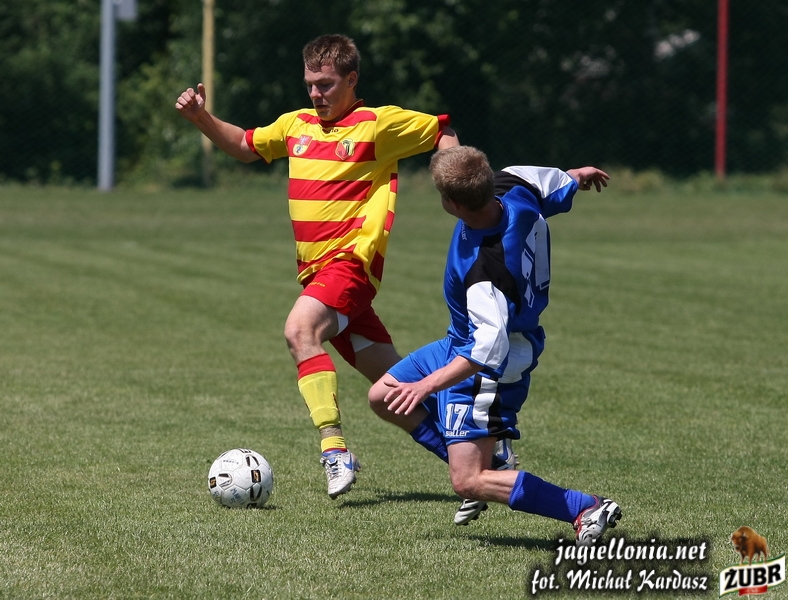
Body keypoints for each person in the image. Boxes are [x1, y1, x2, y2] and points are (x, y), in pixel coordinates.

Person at [175, 34, 459, 499]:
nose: (315, 93)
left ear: (351, 79)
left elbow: (440, 131)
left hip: (350, 265)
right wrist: (201, 118)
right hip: (316, 274)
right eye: (310, 84)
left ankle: (334, 450)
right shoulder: (295, 125)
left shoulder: (376, 124)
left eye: (325, 84)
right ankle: (478, 457)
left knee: (299, 330)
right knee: (398, 387)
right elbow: (245, 145)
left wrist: (453, 180)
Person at [368, 146, 621, 545]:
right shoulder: (511, 185)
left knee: (467, 481)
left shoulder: (485, 273)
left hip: (491, 365)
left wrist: (426, 386)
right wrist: (577, 176)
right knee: (383, 396)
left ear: (452, 204)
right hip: (459, 341)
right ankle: (493, 461)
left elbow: (488, 350)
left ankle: (583, 506)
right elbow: (555, 183)